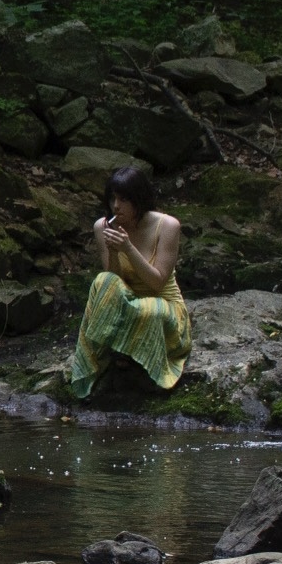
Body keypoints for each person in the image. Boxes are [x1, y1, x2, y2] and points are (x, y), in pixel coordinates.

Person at [66, 164, 191, 399]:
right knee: (102, 281)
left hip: (162, 304)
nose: (116, 206)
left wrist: (129, 248)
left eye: (123, 200)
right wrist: (114, 251)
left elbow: (157, 283)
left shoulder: (167, 226)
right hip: (127, 302)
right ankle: (108, 354)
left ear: (139, 199)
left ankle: (136, 357)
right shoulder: (104, 227)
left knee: (150, 311)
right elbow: (113, 282)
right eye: (112, 199)